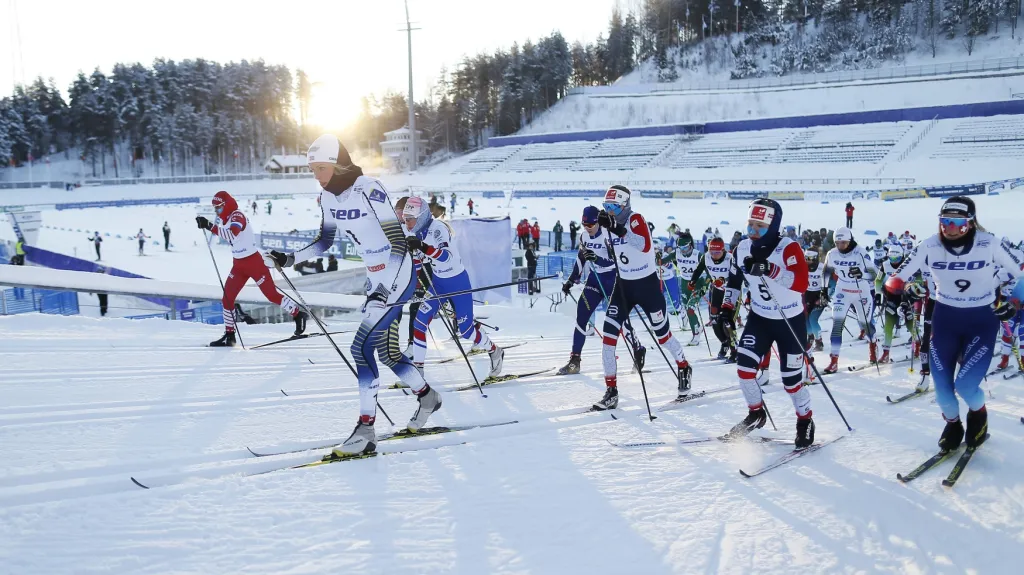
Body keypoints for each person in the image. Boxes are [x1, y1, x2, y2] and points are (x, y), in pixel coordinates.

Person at [268, 135, 441, 456]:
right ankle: (427, 396)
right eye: (312, 169)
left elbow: (399, 244)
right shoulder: (328, 199)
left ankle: (366, 429)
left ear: (338, 165)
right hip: (376, 278)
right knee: (388, 353)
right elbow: (324, 241)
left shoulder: (368, 188)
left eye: (322, 168)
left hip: (398, 273)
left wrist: (382, 289)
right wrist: (289, 258)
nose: (317, 176)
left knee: (360, 348)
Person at [884, 196, 1022, 451]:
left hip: (981, 321)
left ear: (969, 223)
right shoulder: (929, 245)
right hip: (946, 319)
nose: (949, 227)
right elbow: (895, 279)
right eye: (944, 221)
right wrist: (908, 287)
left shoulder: (989, 243)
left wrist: (1015, 302)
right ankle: (953, 424)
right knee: (943, 391)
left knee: (966, 385)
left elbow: (1021, 273)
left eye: (956, 222)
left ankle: (978, 416)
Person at [724, 198, 815, 448]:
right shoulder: (741, 248)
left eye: (759, 227)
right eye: (749, 225)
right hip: (759, 318)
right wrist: (726, 309)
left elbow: (801, 283)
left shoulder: (789, 248)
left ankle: (805, 419)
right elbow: (734, 282)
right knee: (744, 368)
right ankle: (756, 413)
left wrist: (770, 269)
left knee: (791, 380)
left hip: (789, 320)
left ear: (773, 226)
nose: (752, 232)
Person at [594, 184, 692, 409]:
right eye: (606, 206)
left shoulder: (635, 219)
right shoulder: (609, 223)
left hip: (646, 286)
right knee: (608, 337)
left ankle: (684, 365)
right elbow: (608, 252)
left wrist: (618, 229)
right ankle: (611, 390)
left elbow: (644, 245)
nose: (609, 211)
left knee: (663, 336)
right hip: (623, 286)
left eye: (613, 207)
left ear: (625, 205)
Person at [403, 196, 504, 378]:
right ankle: (418, 370)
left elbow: (446, 257)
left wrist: (423, 248)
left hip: (458, 283)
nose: (407, 223)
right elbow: (418, 260)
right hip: (438, 284)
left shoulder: (438, 229)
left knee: (466, 332)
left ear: (421, 216)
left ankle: (494, 349)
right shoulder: (414, 233)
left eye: (410, 219)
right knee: (419, 322)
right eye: (405, 219)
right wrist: (416, 284)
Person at [197, 190, 307, 347]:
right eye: (214, 208)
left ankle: (298, 314)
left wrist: (208, 225)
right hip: (239, 265)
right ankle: (230, 335)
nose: (216, 211)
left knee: (271, 295)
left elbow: (232, 234)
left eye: (218, 207)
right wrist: (210, 225)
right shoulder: (226, 218)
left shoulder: (237, 216)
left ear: (226, 205)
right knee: (227, 299)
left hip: (254, 263)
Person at [558, 206, 645, 375]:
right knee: (581, 315)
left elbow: (615, 260)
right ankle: (575, 360)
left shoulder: (608, 235)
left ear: (598, 222)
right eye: (584, 224)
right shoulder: (584, 236)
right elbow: (581, 259)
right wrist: (571, 280)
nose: (587, 228)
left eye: (590, 224)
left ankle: (638, 348)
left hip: (612, 279)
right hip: (594, 280)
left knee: (618, 320)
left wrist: (597, 258)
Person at [822, 227, 878, 373]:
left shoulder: (860, 252)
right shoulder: (832, 253)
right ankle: (833, 360)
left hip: (861, 291)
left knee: (865, 323)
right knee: (837, 323)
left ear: (850, 241)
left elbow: (874, 274)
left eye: (844, 243)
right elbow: (826, 272)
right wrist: (823, 290)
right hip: (843, 291)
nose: (840, 247)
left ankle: (873, 344)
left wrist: (861, 274)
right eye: (837, 243)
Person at [691, 237, 737, 361]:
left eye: (717, 252)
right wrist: (693, 281)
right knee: (715, 320)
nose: (714, 255)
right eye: (712, 252)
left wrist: (723, 280)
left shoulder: (730, 259)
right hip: (717, 290)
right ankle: (724, 343)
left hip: (731, 291)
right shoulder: (706, 257)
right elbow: (699, 269)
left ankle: (734, 350)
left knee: (727, 321)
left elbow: (737, 277)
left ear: (723, 250)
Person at [874, 244, 917, 364]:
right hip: (891, 298)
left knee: (910, 325)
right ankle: (885, 353)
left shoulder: (908, 265)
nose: (894, 262)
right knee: (888, 326)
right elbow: (878, 280)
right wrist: (878, 293)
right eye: (891, 259)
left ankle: (918, 346)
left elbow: (914, 280)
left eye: (896, 259)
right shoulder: (885, 265)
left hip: (906, 298)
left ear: (902, 256)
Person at [675, 232, 707, 346]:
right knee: (688, 310)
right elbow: (661, 262)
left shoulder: (697, 255)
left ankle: (696, 335)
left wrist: (705, 286)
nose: (683, 250)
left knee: (690, 309)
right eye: (680, 247)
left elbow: (708, 272)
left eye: (685, 247)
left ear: (690, 245)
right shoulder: (677, 253)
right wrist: (658, 257)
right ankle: (697, 327)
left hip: (697, 284)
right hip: (684, 284)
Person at [804, 250, 827, 352]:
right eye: (806, 258)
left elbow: (832, 284)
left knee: (813, 319)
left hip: (819, 296)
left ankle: (819, 342)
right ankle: (810, 337)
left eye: (810, 259)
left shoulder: (822, 268)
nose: (807, 261)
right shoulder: (803, 267)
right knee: (805, 320)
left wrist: (825, 296)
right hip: (807, 295)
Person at [655, 240, 682, 314]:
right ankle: (663, 318)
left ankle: (682, 314)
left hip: (669, 280)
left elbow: (671, 267)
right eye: (654, 249)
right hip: (660, 280)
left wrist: (662, 262)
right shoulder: (651, 257)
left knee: (675, 302)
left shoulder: (665, 255)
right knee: (659, 302)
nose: (655, 251)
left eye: (656, 249)